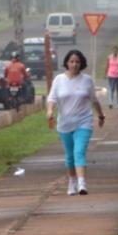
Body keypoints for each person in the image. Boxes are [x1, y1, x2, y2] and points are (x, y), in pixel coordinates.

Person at [47, 48, 105, 196]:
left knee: (79, 152)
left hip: (84, 121)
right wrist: (50, 112)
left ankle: (81, 183)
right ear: (67, 63)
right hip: (65, 123)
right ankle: (72, 181)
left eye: (77, 62)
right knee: (70, 155)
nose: (74, 64)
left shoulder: (87, 80)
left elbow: (94, 99)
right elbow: (52, 98)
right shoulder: (59, 80)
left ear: (81, 63)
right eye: (72, 61)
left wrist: (101, 115)